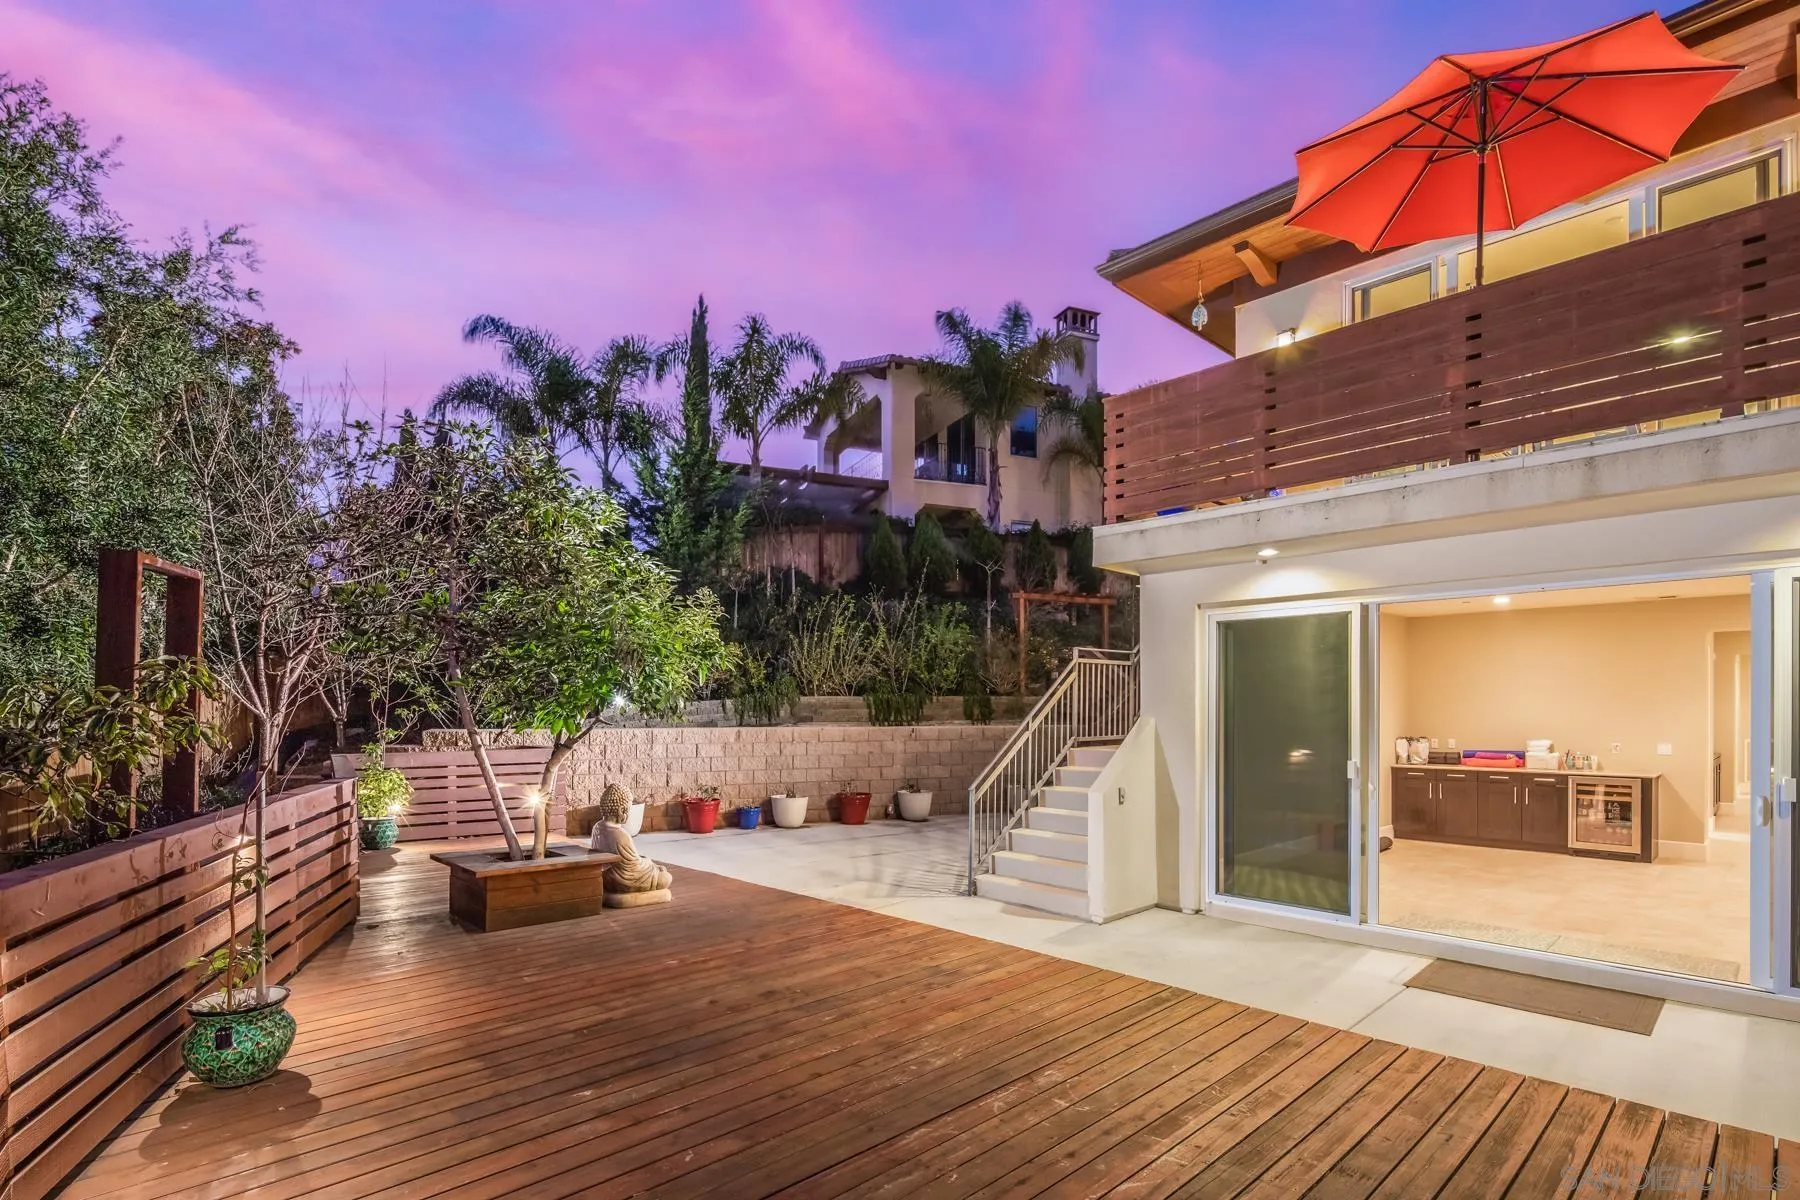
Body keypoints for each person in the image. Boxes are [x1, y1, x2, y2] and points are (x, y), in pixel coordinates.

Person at [588, 783, 672, 906]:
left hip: (606, 877)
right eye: (628, 809)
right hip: (622, 880)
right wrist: (650, 863)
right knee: (666, 878)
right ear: (622, 810)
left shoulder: (598, 827)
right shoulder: (620, 834)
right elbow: (633, 867)